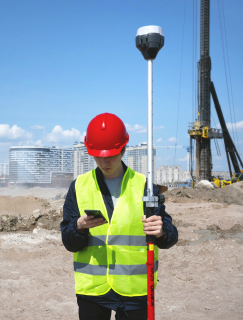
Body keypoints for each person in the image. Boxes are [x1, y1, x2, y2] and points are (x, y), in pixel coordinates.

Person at [61, 113, 178, 320]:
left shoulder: (144, 186)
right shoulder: (79, 187)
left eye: (110, 156)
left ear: (123, 149)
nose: (104, 162)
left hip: (135, 290)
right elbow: (69, 243)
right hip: (93, 291)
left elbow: (170, 236)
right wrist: (78, 227)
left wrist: (161, 232)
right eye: (98, 156)